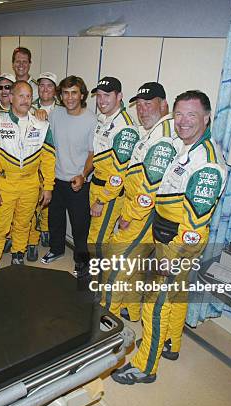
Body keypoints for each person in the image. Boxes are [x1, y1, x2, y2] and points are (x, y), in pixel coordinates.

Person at [111, 90, 227, 385]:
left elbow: (194, 227)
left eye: (191, 115)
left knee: (154, 304)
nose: (183, 121)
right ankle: (171, 344)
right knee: (175, 297)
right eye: (179, 114)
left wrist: (171, 262)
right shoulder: (181, 144)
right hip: (164, 230)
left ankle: (145, 367)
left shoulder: (207, 164)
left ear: (206, 117)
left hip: (179, 243)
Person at [101, 82, 180, 323]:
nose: (143, 110)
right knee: (134, 269)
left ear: (164, 105)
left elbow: (150, 188)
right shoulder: (153, 131)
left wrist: (130, 214)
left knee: (115, 267)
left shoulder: (163, 139)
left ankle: (105, 321)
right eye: (140, 105)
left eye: (149, 104)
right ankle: (132, 311)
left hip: (141, 215)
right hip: (136, 208)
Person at [0, 81, 55, 271]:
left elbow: (48, 158)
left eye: (29, 96)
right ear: (11, 97)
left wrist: (48, 187)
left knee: (24, 224)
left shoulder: (42, 124)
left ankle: (18, 255)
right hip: (4, 183)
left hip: (31, 184)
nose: (25, 100)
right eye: (20, 95)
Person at [40, 76, 96, 276]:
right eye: (65, 93)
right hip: (56, 178)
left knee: (80, 224)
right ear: (60, 96)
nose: (69, 97)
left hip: (78, 180)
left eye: (74, 92)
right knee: (55, 219)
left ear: (82, 95)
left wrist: (83, 175)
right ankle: (56, 249)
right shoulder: (55, 114)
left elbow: (92, 153)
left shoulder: (91, 120)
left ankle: (81, 261)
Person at [88, 77, 140, 254]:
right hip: (97, 185)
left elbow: (119, 174)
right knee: (96, 234)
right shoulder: (104, 118)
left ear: (119, 96)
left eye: (107, 95)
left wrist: (101, 200)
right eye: (99, 95)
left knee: (97, 239)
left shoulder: (125, 126)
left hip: (109, 194)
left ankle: (96, 279)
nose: (102, 100)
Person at [27, 71, 60, 257]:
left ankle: (45, 230)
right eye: (41, 85)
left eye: (49, 85)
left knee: (49, 202)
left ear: (55, 90)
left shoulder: (62, 110)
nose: (45, 89)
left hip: (54, 164)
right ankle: (32, 241)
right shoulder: (29, 108)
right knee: (31, 205)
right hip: (33, 164)